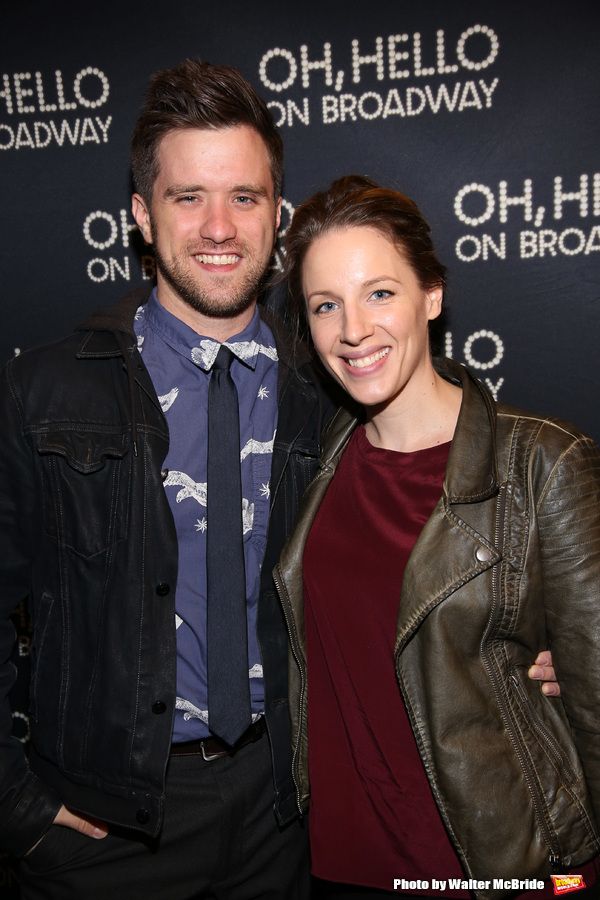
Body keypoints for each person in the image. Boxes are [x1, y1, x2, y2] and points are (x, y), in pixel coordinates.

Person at [0, 59, 337, 900]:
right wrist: (15, 806)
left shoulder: (330, 387)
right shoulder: (43, 390)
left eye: (245, 198)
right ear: (143, 217)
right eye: (189, 198)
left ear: (277, 216)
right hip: (107, 829)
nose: (219, 226)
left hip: (283, 816)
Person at [275, 175, 600, 899]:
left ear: (432, 295)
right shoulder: (315, 460)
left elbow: (593, 700)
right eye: (326, 305)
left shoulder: (543, 461)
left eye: (380, 293)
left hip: (499, 867)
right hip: (338, 864)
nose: (353, 329)